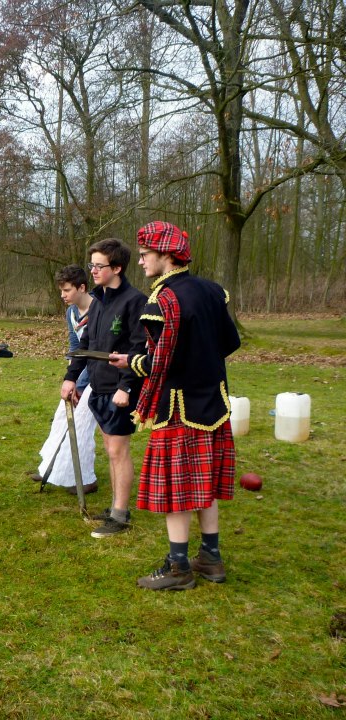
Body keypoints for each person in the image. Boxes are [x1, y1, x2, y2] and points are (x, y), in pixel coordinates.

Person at [110, 221, 241, 590]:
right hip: (214, 405)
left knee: (178, 490)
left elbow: (162, 363)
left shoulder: (163, 299)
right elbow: (229, 344)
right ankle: (211, 559)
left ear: (167, 255)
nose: (141, 262)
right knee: (205, 486)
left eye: (147, 254)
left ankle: (179, 567)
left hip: (178, 408)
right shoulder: (214, 291)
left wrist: (130, 362)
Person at [62, 238, 147, 538]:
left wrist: (126, 386)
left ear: (117, 268)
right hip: (97, 387)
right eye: (92, 265)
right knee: (110, 449)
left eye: (99, 266)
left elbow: (139, 348)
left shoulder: (136, 301)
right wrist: (71, 377)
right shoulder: (98, 301)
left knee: (117, 450)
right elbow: (86, 345)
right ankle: (114, 507)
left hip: (120, 391)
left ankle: (120, 514)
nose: (93, 271)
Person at [31, 265, 98, 493]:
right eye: (61, 291)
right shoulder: (71, 313)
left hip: (99, 377)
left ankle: (86, 478)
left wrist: (79, 383)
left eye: (67, 290)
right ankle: (51, 466)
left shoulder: (100, 309)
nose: (63, 295)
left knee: (82, 424)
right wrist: (71, 378)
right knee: (62, 416)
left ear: (82, 287)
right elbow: (76, 346)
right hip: (79, 373)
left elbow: (95, 350)